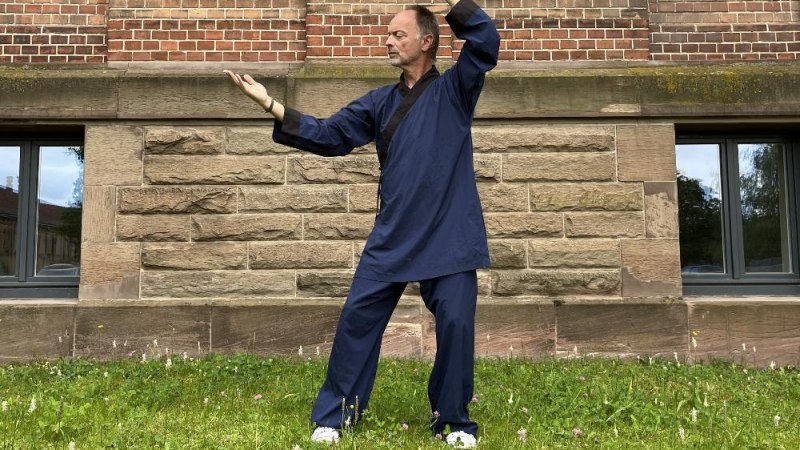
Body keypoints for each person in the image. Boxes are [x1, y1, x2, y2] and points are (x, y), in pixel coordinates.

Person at [224, 0, 499, 447]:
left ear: (427, 42)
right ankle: (335, 417)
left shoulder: (457, 89)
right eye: (388, 35)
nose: (388, 41)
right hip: (393, 237)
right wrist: (271, 103)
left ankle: (453, 421)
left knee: (456, 323)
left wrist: (457, 8)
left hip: (449, 236)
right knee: (357, 320)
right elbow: (329, 135)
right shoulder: (380, 102)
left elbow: (485, 42)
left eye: (399, 34)